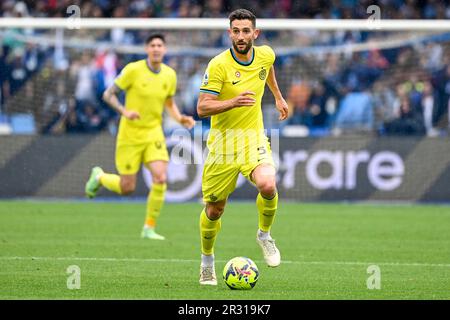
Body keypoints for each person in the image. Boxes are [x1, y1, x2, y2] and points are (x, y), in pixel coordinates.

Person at [196, 9, 289, 285]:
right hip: (223, 145)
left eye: (245, 31)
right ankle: (207, 261)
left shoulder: (266, 54)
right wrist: (232, 102)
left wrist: (278, 98)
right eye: (235, 31)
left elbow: (267, 69)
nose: (240, 36)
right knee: (214, 210)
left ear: (255, 34)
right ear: (229, 33)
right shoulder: (218, 65)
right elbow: (202, 107)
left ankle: (264, 235)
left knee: (268, 184)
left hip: (253, 138)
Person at [85, 34, 195, 240]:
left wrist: (180, 118)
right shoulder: (133, 70)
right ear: (146, 49)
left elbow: (169, 103)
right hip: (130, 134)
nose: (156, 49)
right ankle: (99, 176)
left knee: (161, 177)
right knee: (127, 188)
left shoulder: (169, 75)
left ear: (164, 50)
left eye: (159, 45)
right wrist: (124, 111)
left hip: (154, 132)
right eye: (152, 45)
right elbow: (108, 94)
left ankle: (149, 228)